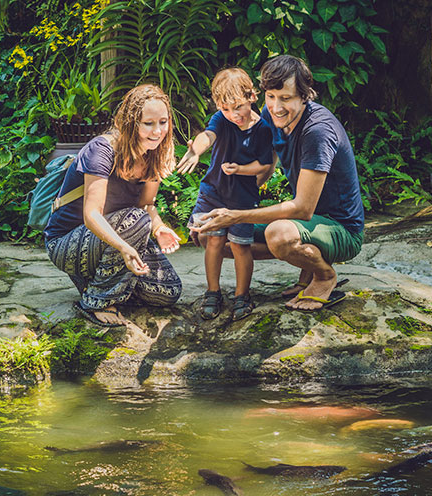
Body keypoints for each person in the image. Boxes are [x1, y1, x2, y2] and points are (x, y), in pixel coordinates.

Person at [193, 55, 365, 312]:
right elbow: (267, 165)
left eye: (286, 98)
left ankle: (324, 275)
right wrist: (230, 199)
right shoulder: (271, 115)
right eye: (271, 96)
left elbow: (303, 209)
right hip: (306, 223)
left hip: (340, 229)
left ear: (305, 96)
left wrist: (236, 216)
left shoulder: (317, 130)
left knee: (279, 235)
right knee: (207, 233)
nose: (276, 106)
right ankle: (306, 264)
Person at [44, 84, 183, 327]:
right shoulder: (102, 150)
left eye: (162, 122)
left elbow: (147, 205)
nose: (157, 131)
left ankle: (95, 280)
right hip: (66, 242)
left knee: (168, 291)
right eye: (148, 123)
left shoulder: (154, 153)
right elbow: (92, 215)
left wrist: (159, 229)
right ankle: (96, 300)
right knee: (137, 221)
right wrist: (124, 248)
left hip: (119, 235)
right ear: (131, 123)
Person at [177, 68, 273, 321]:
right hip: (213, 192)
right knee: (214, 241)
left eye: (238, 107)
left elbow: (263, 165)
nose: (233, 115)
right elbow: (207, 136)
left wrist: (240, 169)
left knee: (241, 246)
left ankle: (242, 295)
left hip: (242, 198)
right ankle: (213, 291)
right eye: (226, 109)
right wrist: (196, 151)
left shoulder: (263, 129)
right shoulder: (221, 119)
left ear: (252, 96)